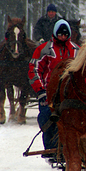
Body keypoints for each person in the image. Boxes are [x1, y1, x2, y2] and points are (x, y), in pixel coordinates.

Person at [28, 19, 79, 156]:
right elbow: (34, 70)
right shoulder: (44, 49)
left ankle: (73, 147)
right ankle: (51, 148)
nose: (62, 36)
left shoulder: (76, 50)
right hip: (49, 93)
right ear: (55, 33)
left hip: (70, 94)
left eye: (65, 34)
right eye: (60, 34)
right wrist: (41, 91)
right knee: (47, 117)